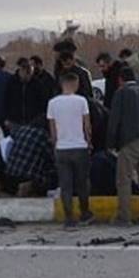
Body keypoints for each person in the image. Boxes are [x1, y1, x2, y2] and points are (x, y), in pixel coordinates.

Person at [106, 69, 139, 225]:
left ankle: (124, 217)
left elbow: (114, 120)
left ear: (121, 79)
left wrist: (110, 143)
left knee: (124, 179)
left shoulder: (121, 93)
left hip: (130, 141)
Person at [48, 72, 94, 229]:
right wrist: (89, 142)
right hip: (80, 147)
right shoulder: (82, 101)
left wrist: (55, 145)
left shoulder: (52, 103)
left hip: (62, 148)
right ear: (75, 83)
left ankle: (69, 219)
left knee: (65, 185)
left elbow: (53, 130)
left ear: (62, 83)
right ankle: (85, 213)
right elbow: (87, 126)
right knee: (82, 183)